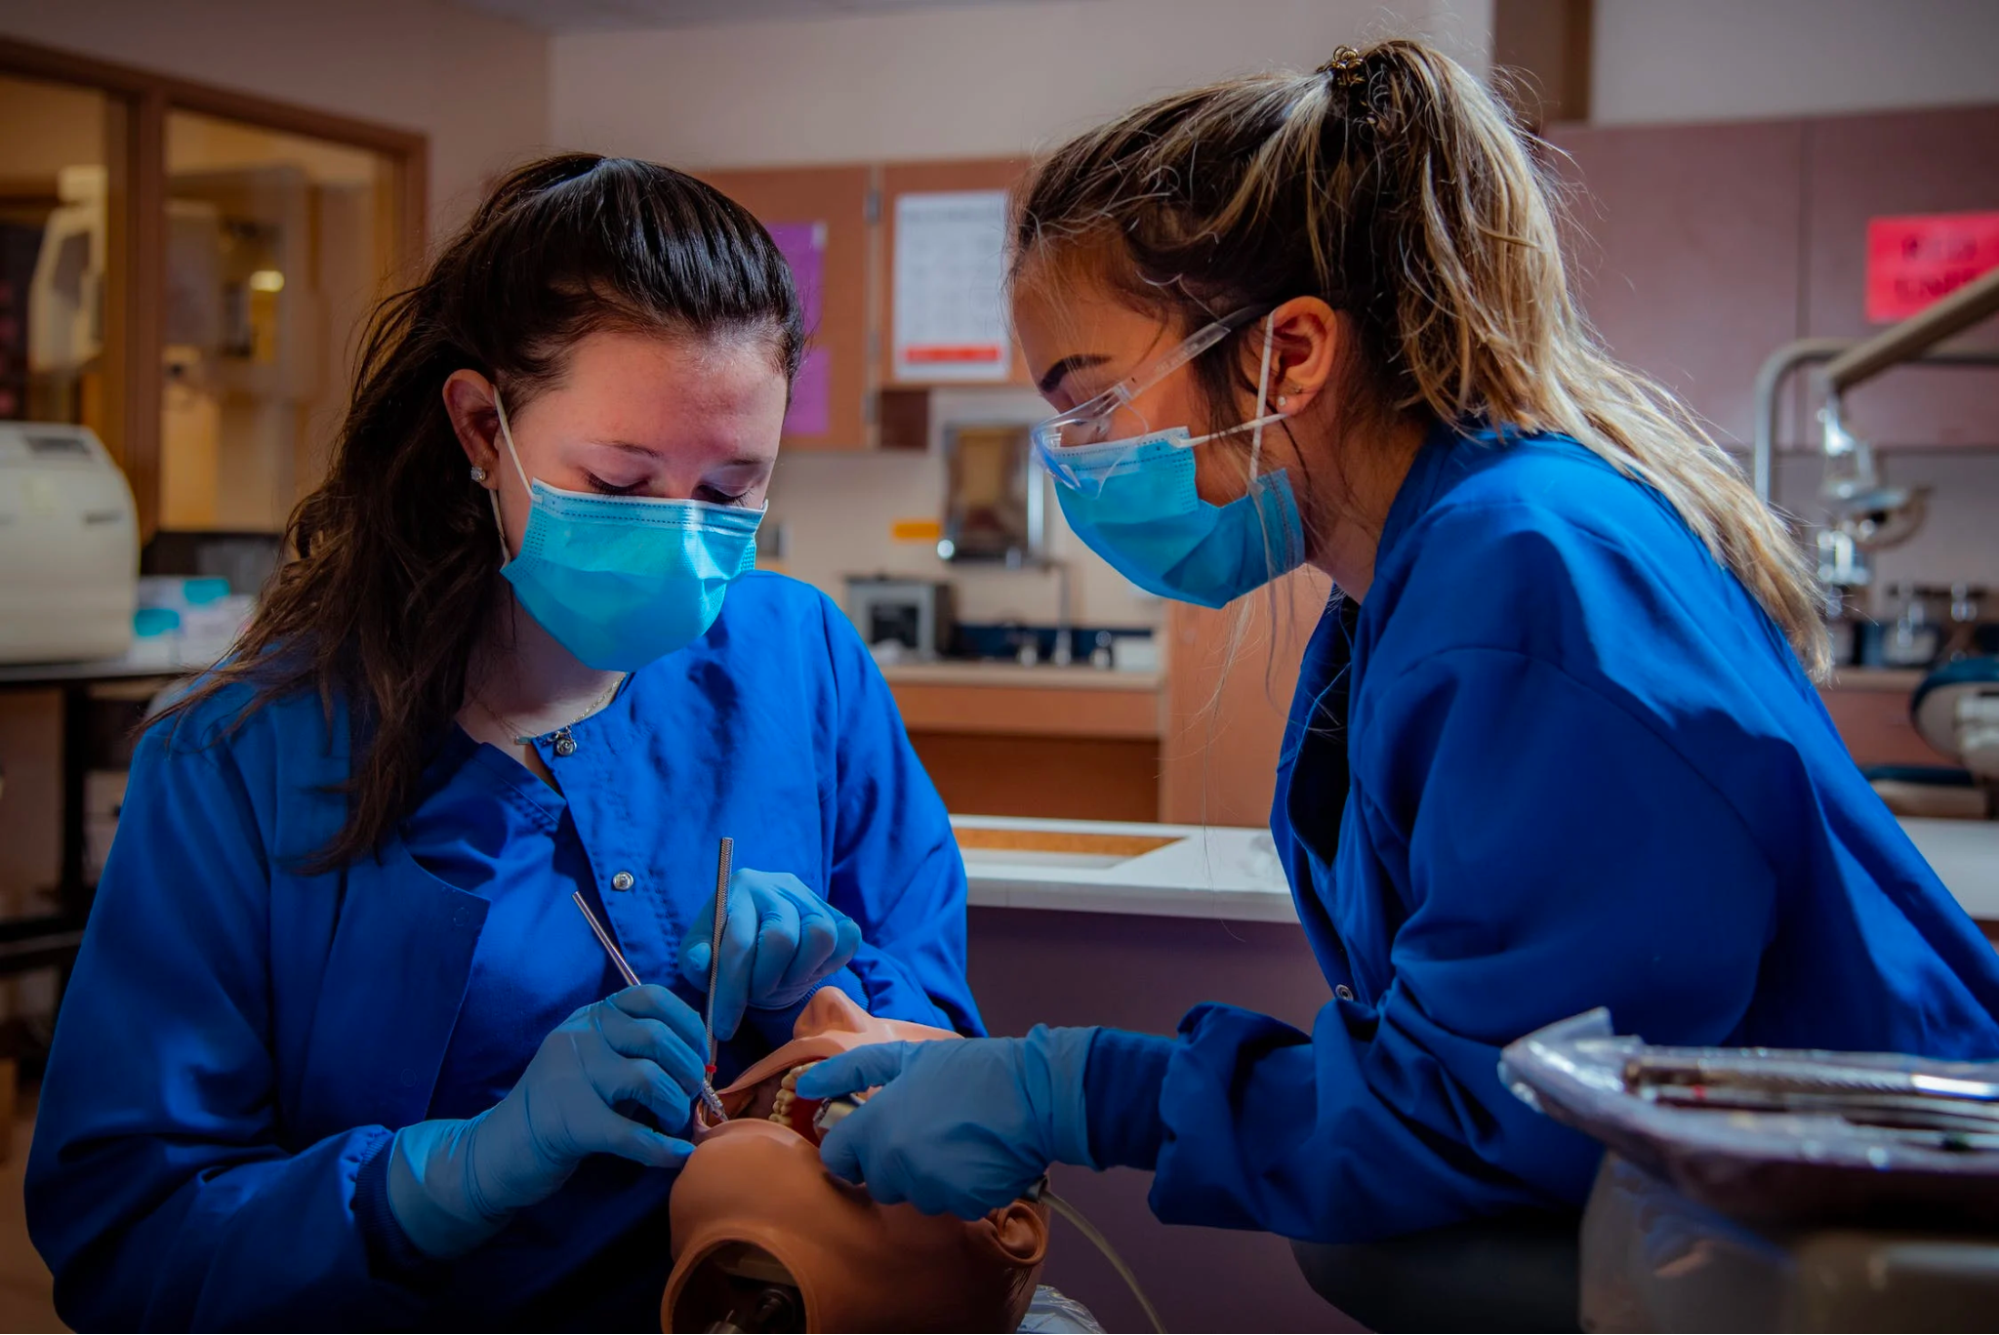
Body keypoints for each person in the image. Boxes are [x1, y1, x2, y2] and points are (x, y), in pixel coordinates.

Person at [800, 35, 1999, 1288]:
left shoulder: (1527, 575)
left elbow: (1483, 1111)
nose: (1077, 460)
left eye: (1093, 404)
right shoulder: (1415, 582)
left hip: (1880, 1249)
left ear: (1291, 353)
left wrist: (1078, 1091)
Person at [26, 154, 978, 1332]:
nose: (684, 541)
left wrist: (833, 1004)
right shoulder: (245, 761)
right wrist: (450, 1174)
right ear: (483, 428)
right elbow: (129, 1240)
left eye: (733, 490)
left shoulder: (799, 661)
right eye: (622, 484)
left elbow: (938, 1044)